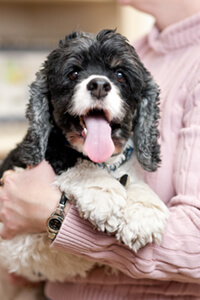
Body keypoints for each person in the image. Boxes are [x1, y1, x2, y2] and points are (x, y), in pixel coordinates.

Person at [1, 0, 200, 298]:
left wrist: (53, 214)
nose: (100, 84)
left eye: (119, 77)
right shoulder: (141, 50)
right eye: (74, 75)